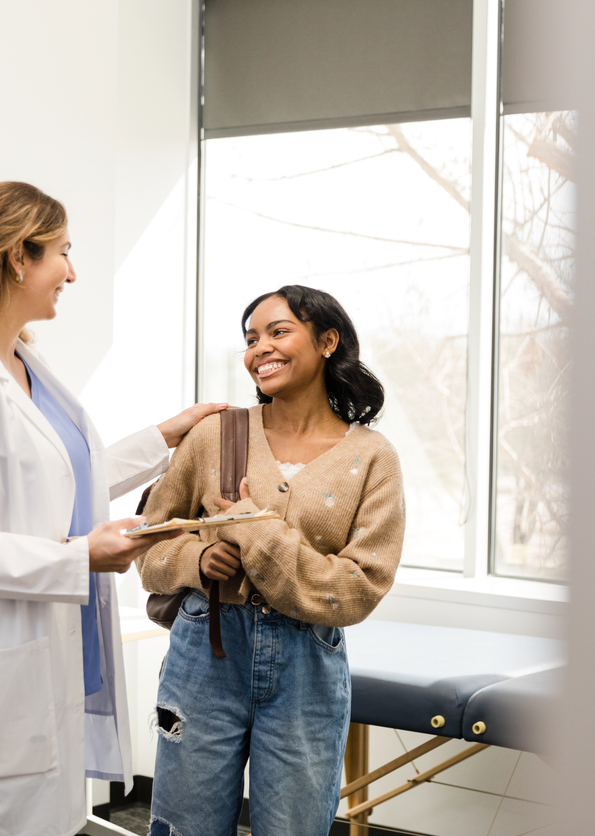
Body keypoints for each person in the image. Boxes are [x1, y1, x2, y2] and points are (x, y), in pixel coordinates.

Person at [0, 181, 223, 836]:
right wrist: (80, 558)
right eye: (63, 252)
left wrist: (164, 438)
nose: (73, 270)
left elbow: (67, 476)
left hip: (40, 671)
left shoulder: (23, 362)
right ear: (19, 257)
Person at [136, 285, 406, 836]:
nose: (260, 348)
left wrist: (253, 527)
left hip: (308, 661)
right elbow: (150, 543)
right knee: (185, 827)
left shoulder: (372, 457)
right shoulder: (217, 435)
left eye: (278, 332)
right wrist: (196, 556)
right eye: (251, 339)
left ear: (328, 341)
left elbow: (357, 589)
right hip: (203, 653)